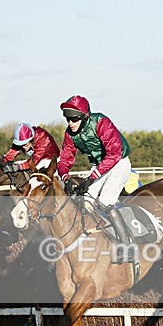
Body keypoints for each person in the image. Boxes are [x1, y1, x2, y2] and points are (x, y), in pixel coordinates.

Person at [56, 95, 135, 263]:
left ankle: (127, 246)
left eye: (74, 118)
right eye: (67, 118)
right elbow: (64, 160)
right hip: (99, 166)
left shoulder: (101, 122)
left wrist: (91, 178)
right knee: (84, 202)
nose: (70, 123)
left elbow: (114, 154)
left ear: (84, 116)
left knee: (106, 200)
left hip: (119, 163)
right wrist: (66, 178)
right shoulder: (70, 134)